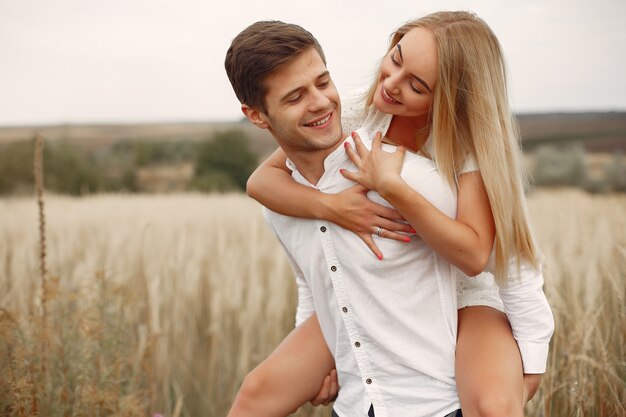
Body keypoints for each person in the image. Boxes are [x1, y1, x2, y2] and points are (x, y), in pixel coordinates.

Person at [227, 12, 553, 417]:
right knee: (255, 393)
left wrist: (533, 359)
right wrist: (334, 208)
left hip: (469, 295)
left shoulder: (465, 157)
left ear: (447, 99)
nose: (390, 84)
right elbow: (264, 183)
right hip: (380, 294)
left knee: (493, 405)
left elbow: (500, 261)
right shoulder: (358, 115)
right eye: (395, 59)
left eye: (416, 85)